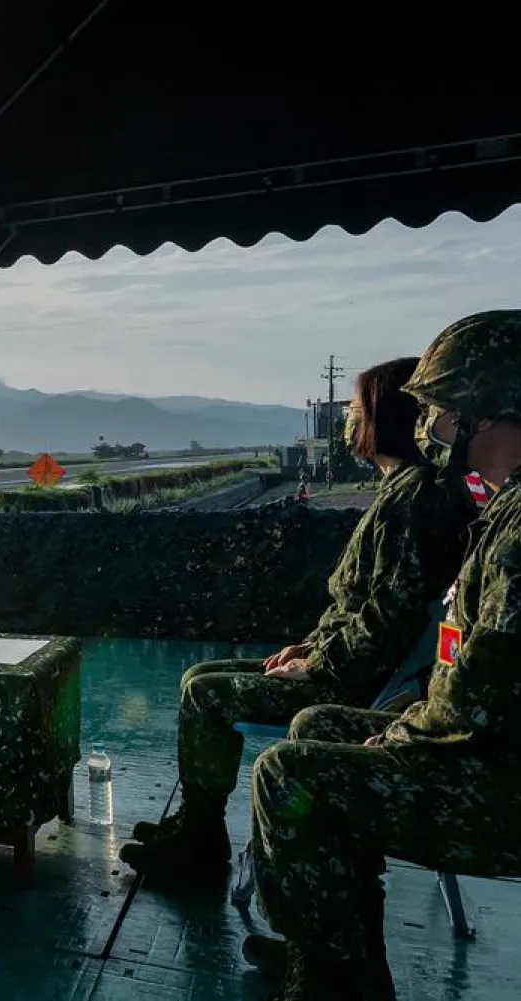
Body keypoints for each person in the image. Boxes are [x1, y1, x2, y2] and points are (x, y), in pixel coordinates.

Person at [245, 310, 521, 998]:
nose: (426, 421)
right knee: (316, 729)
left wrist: (402, 729)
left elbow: (483, 691)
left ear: (483, 412)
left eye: (438, 407)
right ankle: (334, 947)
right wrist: (412, 708)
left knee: (287, 772)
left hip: (501, 779)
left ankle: (337, 977)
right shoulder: (504, 511)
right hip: (483, 743)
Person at [118, 356, 477, 882]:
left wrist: (317, 665)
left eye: (355, 411)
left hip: (355, 683)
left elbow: (388, 616)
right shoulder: (402, 492)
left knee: (206, 694)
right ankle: (197, 826)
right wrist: (307, 648)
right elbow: (360, 608)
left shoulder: (414, 500)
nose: (348, 423)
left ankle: (200, 846)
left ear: (383, 417)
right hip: (343, 663)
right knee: (197, 675)